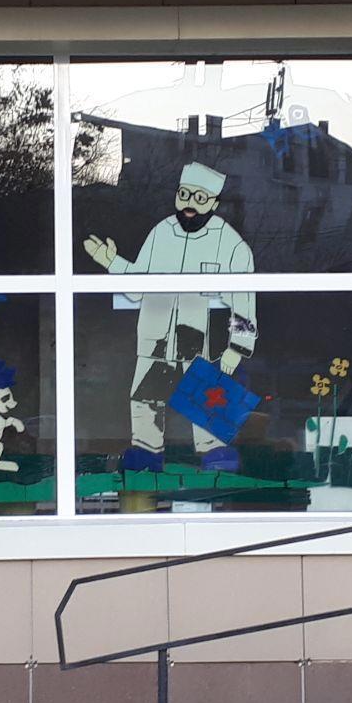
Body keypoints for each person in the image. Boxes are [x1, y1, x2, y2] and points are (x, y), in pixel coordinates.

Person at [84, 161, 257, 473]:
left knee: (208, 398)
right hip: (157, 335)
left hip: (203, 340)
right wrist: (112, 263)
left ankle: (215, 454)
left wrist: (238, 346)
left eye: (199, 198)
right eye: (184, 194)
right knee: (146, 398)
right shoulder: (161, 232)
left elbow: (243, 299)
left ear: (214, 203)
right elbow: (137, 287)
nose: (189, 204)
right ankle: (146, 452)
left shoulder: (231, 244)